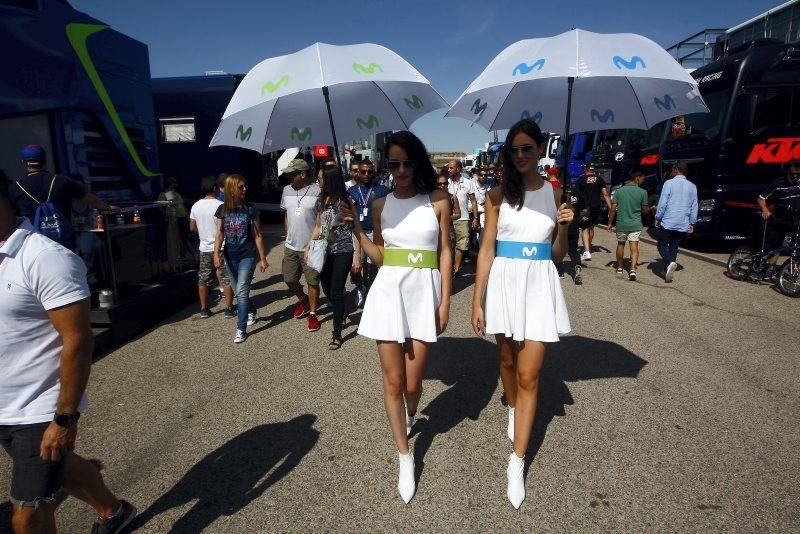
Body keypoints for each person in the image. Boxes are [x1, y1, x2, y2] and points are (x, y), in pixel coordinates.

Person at [0, 178, 137, 533]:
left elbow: (78, 340)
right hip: (3, 401)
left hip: (38, 406)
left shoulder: (45, 258)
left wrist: (64, 419)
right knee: (61, 466)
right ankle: (113, 510)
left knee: (26, 515)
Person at [342, 131, 453, 504]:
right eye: (394, 163)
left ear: (417, 161)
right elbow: (380, 256)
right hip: (389, 291)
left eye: (407, 161)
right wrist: (357, 229)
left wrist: (445, 301)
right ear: (386, 166)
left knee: (412, 384)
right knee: (392, 380)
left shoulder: (438, 200)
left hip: (425, 293)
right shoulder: (378, 204)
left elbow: (447, 252)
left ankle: (410, 413)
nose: (401, 169)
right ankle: (405, 456)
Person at [470, 119, 573, 509]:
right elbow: (486, 250)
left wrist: (565, 227)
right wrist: (477, 298)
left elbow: (559, 254)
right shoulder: (496, 195)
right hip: (504, 281)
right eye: (513, 150)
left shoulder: (556, 191)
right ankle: (511, 404)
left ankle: (516, 461)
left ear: (540, 149)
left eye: (527, 148)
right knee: (507, 358)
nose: (520, 156)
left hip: (540, 282)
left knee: (530, 374)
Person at [9, 145, 116, 248]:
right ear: (45, 161)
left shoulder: (15, 187)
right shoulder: (61, 181)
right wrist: (108, 207)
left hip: (35, 245)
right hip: (64, 243)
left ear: (24, 163)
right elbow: (90, 199)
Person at [307, 167, 359, 350]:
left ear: (329, 180)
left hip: (343, 250)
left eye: (320, 178)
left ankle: (337, 334)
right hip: (324, 249)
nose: (317, 180)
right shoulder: (321, 201)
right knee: (326, 286)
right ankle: (342, 307)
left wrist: (357, 256)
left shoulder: (345, 201)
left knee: (336, 290)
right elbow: (319, 225)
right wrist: (309, 246)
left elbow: (355, 230)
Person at [213, 174, 268, 343]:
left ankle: (240, 328)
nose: (245, 189)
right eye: (241, 187)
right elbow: (220, 234)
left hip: (247, 255)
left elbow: (258, 236)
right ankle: (250, 309)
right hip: (230, 256)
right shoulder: (223, 210)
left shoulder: (250, 210)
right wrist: (216, 254)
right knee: (238, 292)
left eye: (245, 186)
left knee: (242, 292)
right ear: (231, 189)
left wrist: (263, 257)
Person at [280, 159, 323, 332]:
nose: (289, 177)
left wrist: (317, 241)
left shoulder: (317, 191)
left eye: (292, 174)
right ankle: (303, 299)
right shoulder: (286, 190)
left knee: (312, 281)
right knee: (289, 278)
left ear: (303, 174)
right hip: (291, 245)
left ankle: (313, 314)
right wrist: (286, 235)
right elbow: (286, 215)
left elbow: (322, 219)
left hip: (310, 246)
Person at [190, 176, 234, 318]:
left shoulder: (195, 205)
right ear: (215, 188)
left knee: (203, 278)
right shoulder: (220, 204)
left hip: (204, 247)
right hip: (221, 247)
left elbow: (192, 228)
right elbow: (226, 227)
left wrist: (203, 232)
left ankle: (203, 308)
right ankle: (228, 308)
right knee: (226, 278)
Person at [348, 160, 390, 306]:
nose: (366, 174)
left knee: (374, 265)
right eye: (363, 171)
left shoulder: (383, 191)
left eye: (369, 172)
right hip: (358, 233)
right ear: (357, 173)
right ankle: (361, 287)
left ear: (374, 173)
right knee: (355, 267)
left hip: (376, 232)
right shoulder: (351, 192)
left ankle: (371, 288)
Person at [607, 170, 657, 281]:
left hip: (621, 224)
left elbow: (613, 209)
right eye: (642, 178)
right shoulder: (643, 192)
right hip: (635, 224)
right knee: (634, 247)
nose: (643, 181)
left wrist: (610, 223)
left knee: (620, 245)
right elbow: (644, 210)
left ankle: (620, 268)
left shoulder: (619, 192)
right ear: (637, 178)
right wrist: (652, 208)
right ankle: (633, 269)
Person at [654, 161, 698, 282]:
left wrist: (658, 217)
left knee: (661, 245)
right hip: (683, 221)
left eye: (672, 169)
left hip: (669, 219)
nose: (671, 172)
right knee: (674, 246)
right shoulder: (692, 186)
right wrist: (692, 222)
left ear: (676, 170)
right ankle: (667, 271)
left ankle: (669, 263)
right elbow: (694, 206)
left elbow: (663, 203)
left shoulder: (669, 183)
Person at [757, 159, 800, 280]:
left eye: (798, 174)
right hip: (780, 220)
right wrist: (765, 210)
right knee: (776, 247)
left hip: (795, 221)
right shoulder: (779, 183)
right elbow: (761, 198)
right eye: (793, 174)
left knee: (792, 246)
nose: (795, 177)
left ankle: (793, 268)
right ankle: (769, 268)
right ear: (788, 171)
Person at [574, 162, 611, 261]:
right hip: (596, 208)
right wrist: (611, 208)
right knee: (591, 227)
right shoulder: (600, 179)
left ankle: (586, 251)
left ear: (586, 169)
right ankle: (588, 248)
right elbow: (606, 194)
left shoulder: (581, 180)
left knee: (585, 228)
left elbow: (576, 195)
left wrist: (575, 208)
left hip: (585, 208)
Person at [447, 160, 478, 277]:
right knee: (449, 244)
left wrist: (475, 218)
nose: (449, 170)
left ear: (458, 169)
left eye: (451, 168)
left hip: (463, 218)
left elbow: (473, 200)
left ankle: (456, 270)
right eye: (449, 168)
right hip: (449, 219)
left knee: (461, 245)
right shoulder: (446, 183)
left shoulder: (467, 182)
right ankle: (448, 267)